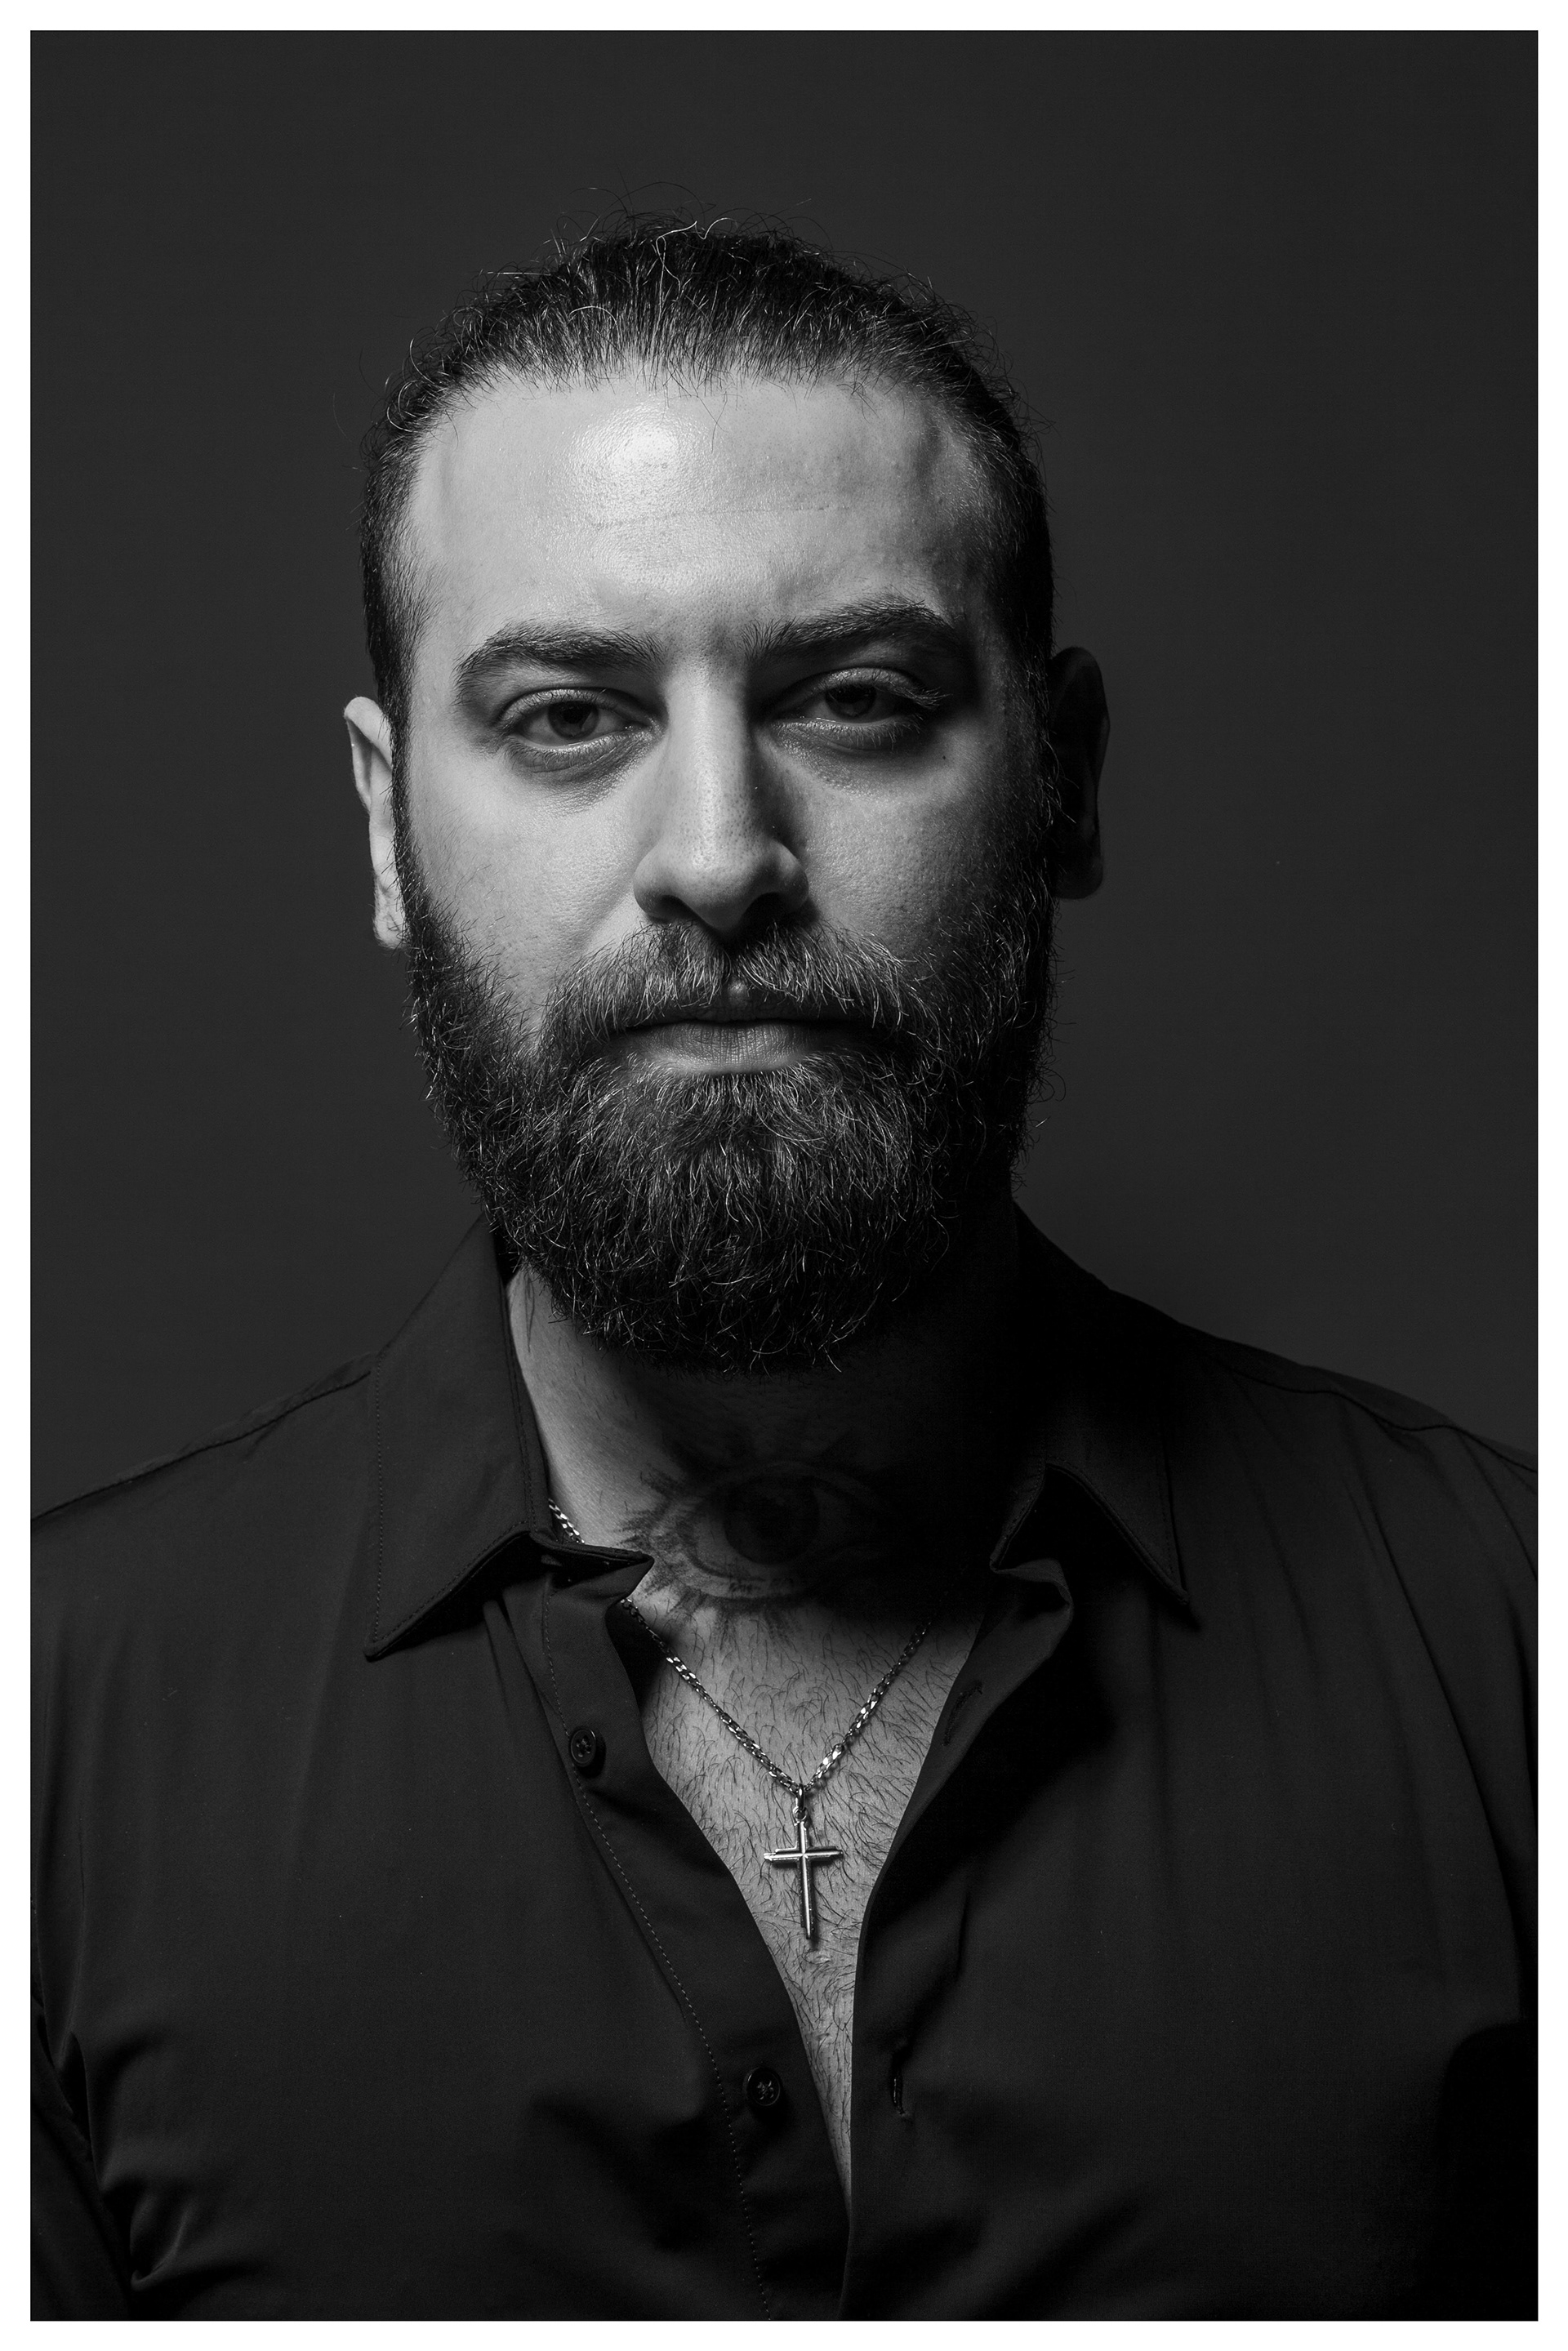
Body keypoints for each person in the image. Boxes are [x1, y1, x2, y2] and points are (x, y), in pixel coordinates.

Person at [32, 221, 1535, 2320]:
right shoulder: (45, 1751)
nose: (721, 855)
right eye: (571, 716)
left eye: (856, 699)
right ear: (386, 826)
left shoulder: (1508, 1655)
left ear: (1064, 783)